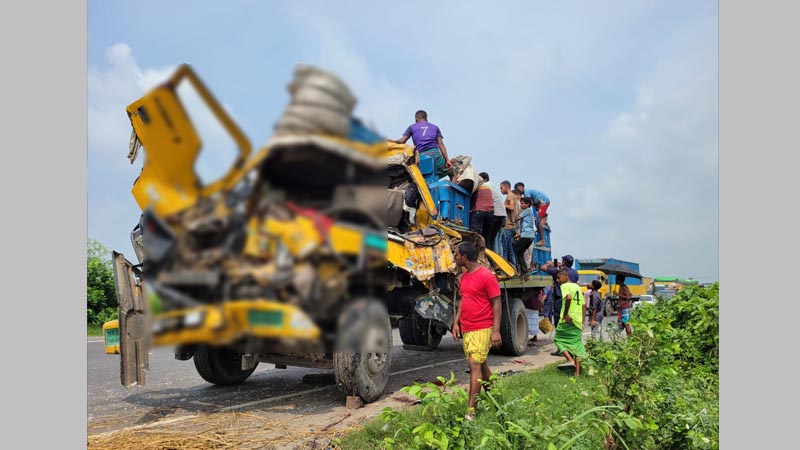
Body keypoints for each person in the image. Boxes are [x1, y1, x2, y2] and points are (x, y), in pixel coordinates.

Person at [451, 241, 502, 420]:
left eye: (456, 254)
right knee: (481, 365)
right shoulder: (464, 277)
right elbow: (464, 300)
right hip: (467, 327)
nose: (455, 257)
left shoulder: (487, 276)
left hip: (483, 326)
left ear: (464, 256)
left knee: (474, 365)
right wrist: (456, 322)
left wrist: (496, 331)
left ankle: (470, 411)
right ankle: (496, 398)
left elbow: (497, 303)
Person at [389, 110, 451, 179]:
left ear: (416, 119)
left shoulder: (412, 127)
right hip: (436, 155)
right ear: (426, 119)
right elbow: (441, 144)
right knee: (452, 173)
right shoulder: (435, 127)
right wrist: (447, 160)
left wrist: (393, 141)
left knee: (422, 178)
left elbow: (401, 141)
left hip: (422, 157)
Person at [552, 269, 586, 376]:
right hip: (578, 320)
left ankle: (570, 360)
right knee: (576, 345)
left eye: (559, 277)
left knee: (557, 339)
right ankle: (576, 373)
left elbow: (569, 298)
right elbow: (583, 305)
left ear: (565, 276)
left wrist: (566, 314)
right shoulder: (576, 287)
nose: (557, 280)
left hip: (567, 319)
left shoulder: (565, 286)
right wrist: (583, 322)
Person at [513, 182, 550, 246]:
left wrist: (532, 216)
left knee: (539, 221)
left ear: (522, 187)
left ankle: (542, 240)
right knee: (539, 214)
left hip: (543, 202)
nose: (517, 190)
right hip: (540, 202)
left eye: (518, 189)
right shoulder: (527, 192)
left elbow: (529, 205)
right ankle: (545, 218)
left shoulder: (526, 192)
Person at [479, 172, 507, 253]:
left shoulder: (485, 185)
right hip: (502, 215)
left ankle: (489, 259)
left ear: (484, 179)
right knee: (492, 239)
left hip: (494, 214)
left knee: (487, 238)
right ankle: (495, 262)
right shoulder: (493, 186)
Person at [512, 197, 536, 280]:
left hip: (526, 236)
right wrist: (519, 234)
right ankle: (524, 272)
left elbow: (517, 218)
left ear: (527, 204)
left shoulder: (528, 210)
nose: (521, 205)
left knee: (514, 249)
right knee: (520, 252)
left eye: (522, 203)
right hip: (529, 236)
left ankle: (515, 268)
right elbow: (527, 226)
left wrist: (511, 217)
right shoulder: (529, 212)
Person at [499, 180, 519, 266]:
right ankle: (513, 266)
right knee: (510, 248)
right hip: (512, 226)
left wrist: (501, 205)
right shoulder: (514, 196)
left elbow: (511, 207)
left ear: (506, 187)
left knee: (504, 247)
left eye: (501, 188)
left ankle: (505, 268)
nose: (501, 190)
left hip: (508, 226)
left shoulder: (510, 195)